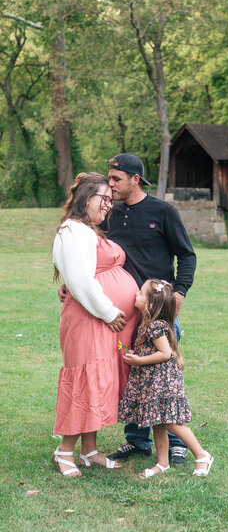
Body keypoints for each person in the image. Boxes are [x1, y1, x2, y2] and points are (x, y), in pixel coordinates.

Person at [59, 153, 196, 465]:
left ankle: (176, 442)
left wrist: (180, 292)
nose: (111, 185)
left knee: (164, 374)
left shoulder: (163, 211)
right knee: (134, 373)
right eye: (109, 178)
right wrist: (71, 282)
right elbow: (92, 257)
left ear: (136, 179)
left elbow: (186, 255)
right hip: (125, 313)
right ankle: (136, 441)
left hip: (156, 310)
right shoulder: (108, 213)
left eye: (117, 179)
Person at [52, 173, 141, 477]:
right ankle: (64, 451)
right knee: (86, 382)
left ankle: (89, 451)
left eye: (109, 200)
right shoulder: (73, 231)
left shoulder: (86, 230)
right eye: (103, 198)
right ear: (85, 197)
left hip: (101, 320)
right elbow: (80, 281)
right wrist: (108, 311)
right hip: (90, 318)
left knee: (98, 380)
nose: (108, 205)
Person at [119, 279, 213, 478]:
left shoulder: (155, 326)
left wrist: (139, 360)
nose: (136, 294)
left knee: (171, 422)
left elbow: (166, 353)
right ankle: (162, 463)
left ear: (150, 305)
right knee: (158, 422)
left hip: (163, 382)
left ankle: (202, 455)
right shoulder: (148, 323)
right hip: (154, 382)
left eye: (141, 293)